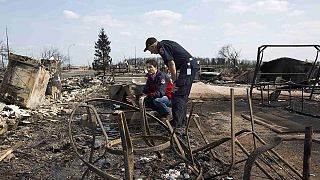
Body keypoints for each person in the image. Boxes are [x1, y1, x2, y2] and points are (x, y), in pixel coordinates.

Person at [144, 37, 199, 127]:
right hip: (188, 66)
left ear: (152, 45)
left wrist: (174, 81)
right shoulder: (165, 44)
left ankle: (177, 124)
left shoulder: (161, 47)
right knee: (182, 94)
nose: (151, 52)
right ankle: (181, 122)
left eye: (150, 49)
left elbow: (171, 63)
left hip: (187, 67)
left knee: (178, 94)